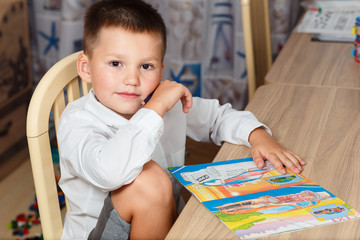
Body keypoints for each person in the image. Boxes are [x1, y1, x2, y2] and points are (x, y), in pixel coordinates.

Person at [57, 0, 306, 239]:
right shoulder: (77, 122)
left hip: (167, 223)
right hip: (96, 235)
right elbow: (110, 172)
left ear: (161, 70)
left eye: (146, 66)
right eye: (115, 63)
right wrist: (155, 108)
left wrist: (257, 134)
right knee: (149, 180)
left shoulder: (162, 103)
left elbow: (217, 117)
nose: (132, 79)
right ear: (86, 69)